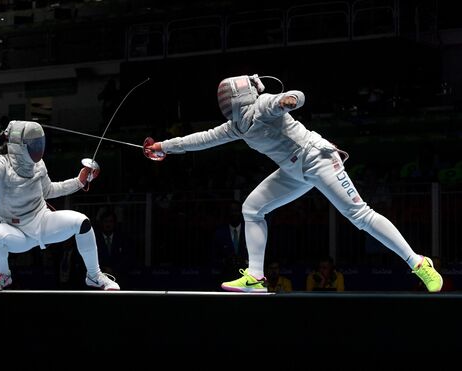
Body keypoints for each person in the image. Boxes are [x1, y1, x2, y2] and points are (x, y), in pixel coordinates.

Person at [145, 73, 443, 293]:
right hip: (293, 172)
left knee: (359, 215)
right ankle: (256, 277)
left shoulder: (264, 104)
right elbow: (200, 139)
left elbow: (295, 96)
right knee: (252, 209)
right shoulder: (236, 126)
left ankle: (418, 263)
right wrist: (163, 147)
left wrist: (288, 100)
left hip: (318, 158)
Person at [0, 120, 120, 291]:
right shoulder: (1, 165)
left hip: (41, 222)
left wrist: (78, 182)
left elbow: (49, 191)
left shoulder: (39, 164)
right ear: (18, 145)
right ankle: (3, 274)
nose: (38, 148)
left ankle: (94, 276)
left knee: (82, 223)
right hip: (14, 231)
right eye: (33, 144)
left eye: (39, 143)